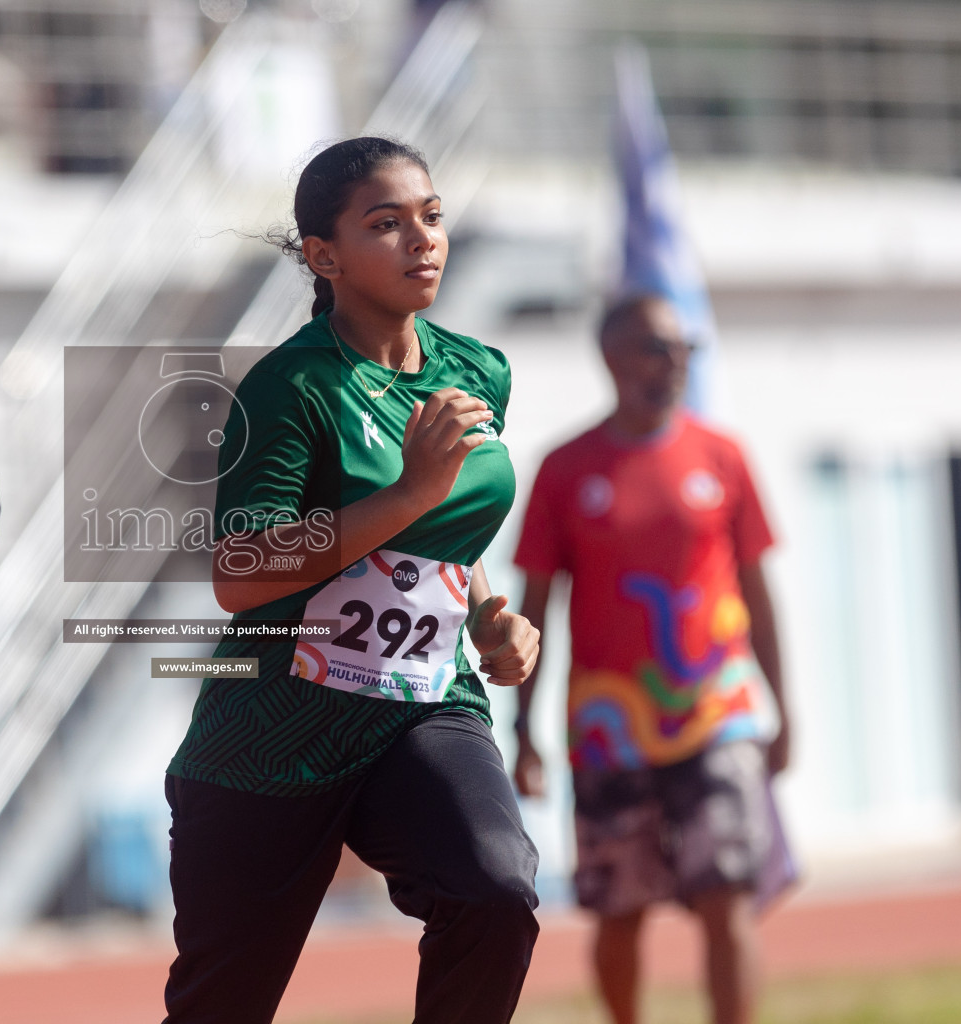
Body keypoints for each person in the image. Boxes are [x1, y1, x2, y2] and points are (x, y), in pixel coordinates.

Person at [163, 136, 542, 1024]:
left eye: (432, 217)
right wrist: (410, 492)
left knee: (495, 890)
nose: (424, 240)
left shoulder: (477, 370)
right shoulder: (290, 387)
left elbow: (450, 533)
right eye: (388, 224)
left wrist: (488, 613)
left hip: (421, 706)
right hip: (273, 730)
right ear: (324, 256)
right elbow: (240, 574)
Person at [511, 294, 792, 1024]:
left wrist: (784, 711)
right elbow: (534, 609)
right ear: (611, 356)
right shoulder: (565, 469)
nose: (673, 364)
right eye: (655, 348)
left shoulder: (722, 455)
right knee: (620, 908)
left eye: (682, 350)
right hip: (609, 727)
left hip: (717, 713)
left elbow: (761, 594)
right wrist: (521, 729)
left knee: (725, 891)